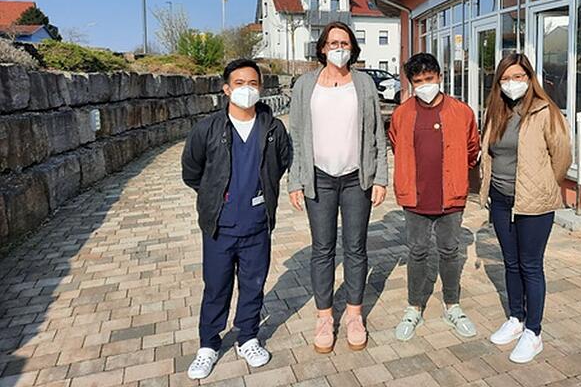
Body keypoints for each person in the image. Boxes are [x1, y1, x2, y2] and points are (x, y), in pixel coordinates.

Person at [181, 59, 292, 379]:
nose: (247, 89)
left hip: (257, 223)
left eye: (253, 83)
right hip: (220, 225)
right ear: (226, 88)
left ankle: (247, 337)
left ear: (261, 88)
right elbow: (192, 171)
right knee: (216, 286)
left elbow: (281, 164)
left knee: (253, 284)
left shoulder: (273, 129)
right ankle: (208, 345)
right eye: (240, 83)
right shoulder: (208, 129)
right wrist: (217, 197)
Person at [287, 21, 388, 354]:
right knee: (322, 249)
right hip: (320, 178)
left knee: (356, 248)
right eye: (333, 43)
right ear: (322, 48)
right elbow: (297, 136)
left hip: (355, 178)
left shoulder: (363, 84)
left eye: (345, 43)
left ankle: (355, 316)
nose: (339, 48)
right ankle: (324, 317)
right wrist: (296, 180)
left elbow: (377, 134)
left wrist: (380, 177)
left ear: (352, 48)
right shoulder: (305, 85)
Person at [479, 52, 571, 363]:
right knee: (510, 262)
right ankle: (516, 319)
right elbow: (490, 154)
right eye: (505, 78)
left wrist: (544, 186)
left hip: (534, 203)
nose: (511, 84)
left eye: (518, 77)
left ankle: (534, 332)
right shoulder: (496, 112)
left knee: (531, 265)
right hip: (502, 200)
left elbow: (562, 158)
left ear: (529, 78)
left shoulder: (546, 111)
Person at [388, 53, 480, 341]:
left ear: (439, 77)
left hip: (450, 196)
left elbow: (471, 149)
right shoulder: (402, 114)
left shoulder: (462, 112)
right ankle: (413, 306)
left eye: (429, 79)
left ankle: (452, 305)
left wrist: (454, 173)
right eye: (418, 81)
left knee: (450, 252)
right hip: (415, 197)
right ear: (411, 83)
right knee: (416, 252)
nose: (425, 85)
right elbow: (395, 144)